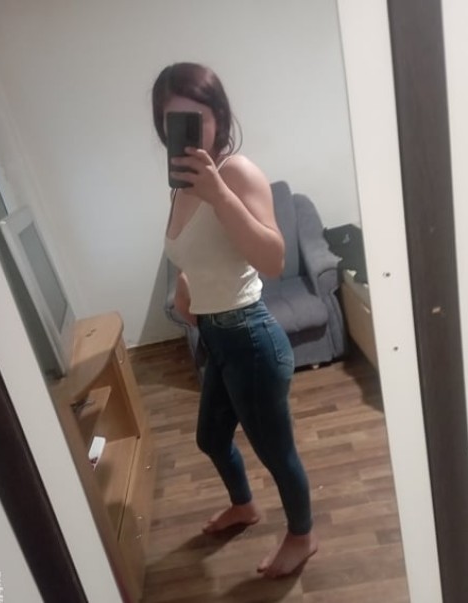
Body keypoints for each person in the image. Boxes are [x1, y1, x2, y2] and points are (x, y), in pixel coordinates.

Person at [152, 62, 318, 578]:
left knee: (277, 453)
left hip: (251, 338)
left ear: (219, 117)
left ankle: (302, 536)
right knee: (210, 438)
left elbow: (273, 259)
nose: (184, 131)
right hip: (217, 338)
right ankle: (244, 506)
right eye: (172, 121)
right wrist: (187, 285)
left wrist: (219, 194)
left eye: (196, 117)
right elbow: (196, 251)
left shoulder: (236, 173)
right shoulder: (181, 186)